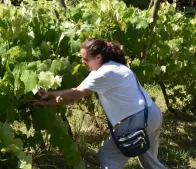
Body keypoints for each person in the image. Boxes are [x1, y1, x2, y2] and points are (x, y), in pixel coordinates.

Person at [32, 38, 167, 169]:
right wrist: (50, 94)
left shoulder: (103, 73)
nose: (82, 62)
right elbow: (76, 89)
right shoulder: (112, 67)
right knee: (150, 163)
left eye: (85, 59)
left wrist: (45, 104)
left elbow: (73, 96)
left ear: (98, 57)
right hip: (152, 114)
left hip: (136, 119)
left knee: (107, 155)